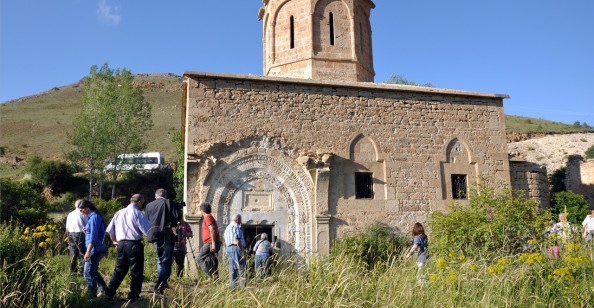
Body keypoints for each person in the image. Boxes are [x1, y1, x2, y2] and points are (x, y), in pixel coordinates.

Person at [104, 194, 151, 303]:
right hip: (134, 244)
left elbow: (110, 230)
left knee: (119, 269)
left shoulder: (119, 212)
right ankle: (133, 296)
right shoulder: (138, 214)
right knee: (136, 271)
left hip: (121, 244)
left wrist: (114, 241)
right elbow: (147, 231)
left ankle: (109, 293)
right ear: (139, 202)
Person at [145, 188, 183, 293]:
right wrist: (177, 208)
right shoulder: (169, 203)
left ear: (155, 195)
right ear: (165, 195)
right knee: (166, 260)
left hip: (153, 233)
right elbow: (177, 218)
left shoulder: (148, 206)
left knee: (159, 259)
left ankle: (163, 282)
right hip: (166, 233)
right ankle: (160, 285)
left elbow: (146, 220)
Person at [79, 199, 108, 298]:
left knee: (87, 272)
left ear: (87, 208)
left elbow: (93, 237)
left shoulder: (94, 217)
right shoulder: (92, 217)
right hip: (94, 248)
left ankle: (92, 295)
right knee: (93, 271)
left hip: (94, 249)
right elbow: (92, 233)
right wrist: (86, 231)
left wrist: (87, 251)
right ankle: (104, 289)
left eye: (81, 210)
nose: (81, 212)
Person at [197, 202, 221, 279]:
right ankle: (215, 277)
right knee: (212, 260)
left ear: (202, 210)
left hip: (210, 243)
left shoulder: (207, 217)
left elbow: (212, 230)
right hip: (212, 242)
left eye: (200, 210)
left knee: (199, 258)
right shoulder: (210, 217)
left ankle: (212, 275)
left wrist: (213, 243)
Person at [224, 214, 246, 289]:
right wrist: (242, 250)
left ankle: (233, 288)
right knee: (241, 267)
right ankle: (243, 288)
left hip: (229, 248)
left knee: (232, 269)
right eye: (240, 219)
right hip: (236, 248)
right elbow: (237, 240)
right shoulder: (236, 226)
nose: (241, 221)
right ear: (237, 219)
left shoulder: (227, 228)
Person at [65, 199, 88, 275]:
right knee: (82, 253)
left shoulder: (70, 214)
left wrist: (68, 237)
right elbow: (87, 225)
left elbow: (67, 228)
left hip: (71, 234)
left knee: (73, 253)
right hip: (80, 234)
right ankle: (82, 271)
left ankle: (73, 271)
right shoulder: (82, 214)